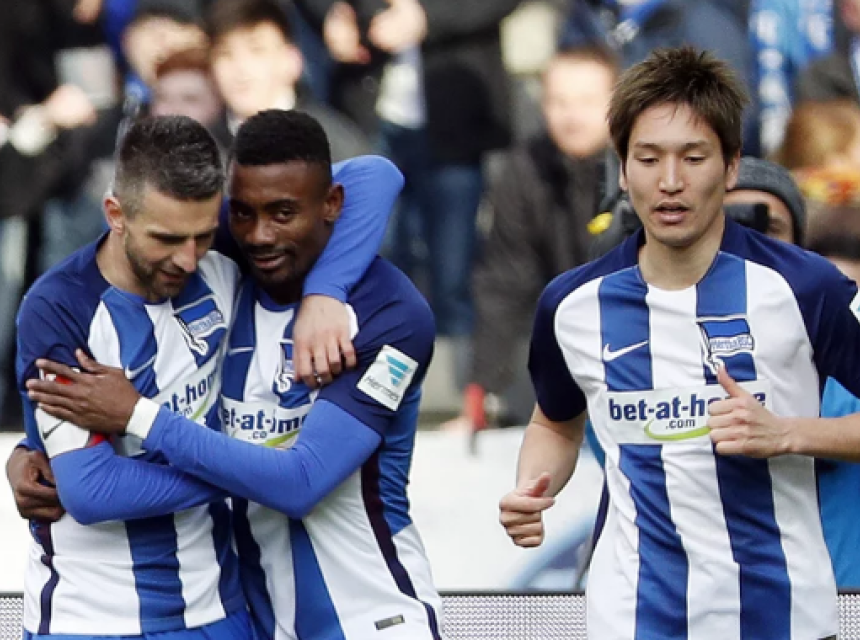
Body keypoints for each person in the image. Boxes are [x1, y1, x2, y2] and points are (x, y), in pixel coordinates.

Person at [25, 109, 442, 640]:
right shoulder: (225, 267)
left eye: (283, 213)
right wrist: (35, 447)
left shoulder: (390, 314)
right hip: (259, 622)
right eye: (242, 213)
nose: (260, 234)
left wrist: (326, 291)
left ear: (332, 204)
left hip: (374, 621)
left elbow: (301, 482)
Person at [499, 46, 860, 639]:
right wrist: (532, 488)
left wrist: (789, 433)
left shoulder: (804, 288)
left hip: (780, 618)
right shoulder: (572, 304)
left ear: (731, 166)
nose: (670, 182)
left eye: (693, 157)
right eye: (648, 159)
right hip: (632, 619)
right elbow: (554, 423)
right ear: (622, 168)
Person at [444, 44, 618, 431]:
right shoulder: (525, 169)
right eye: (559, 102)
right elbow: (504, 284)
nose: (572, 116)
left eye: (587, 101)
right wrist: (479, 395)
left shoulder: (645, 170)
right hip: (569, 352)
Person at [206, 0, 371, 163]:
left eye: (257, 50)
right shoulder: (204, 154)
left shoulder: (337, 150)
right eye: (225, 54)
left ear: (292, 59)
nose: (240, 68)